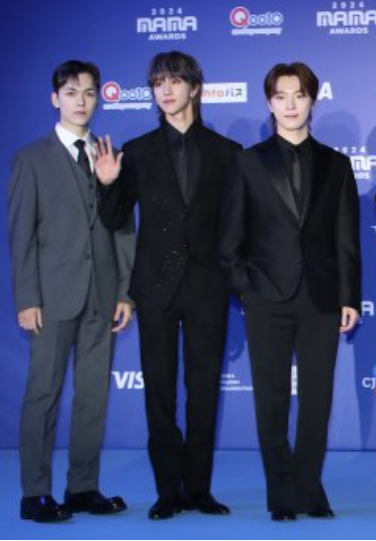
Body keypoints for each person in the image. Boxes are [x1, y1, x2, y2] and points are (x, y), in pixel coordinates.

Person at [96, 51, 240, 520]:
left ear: (194, 87)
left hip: (208, 287)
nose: (166, 90)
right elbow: (114, 218)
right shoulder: (136, 151)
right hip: (155, 288)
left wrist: (236, 283)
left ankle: (198, 489)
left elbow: (235, 226)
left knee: (203, 392)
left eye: (175, 81)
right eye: (159, 83)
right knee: (159, 392)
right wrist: (108, 184)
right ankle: (167, 491)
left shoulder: (227, 153)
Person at [217, 62, 361, 522]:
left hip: (321, 298)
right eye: (281, 96)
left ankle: (309, 486)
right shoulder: (248, 162)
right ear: (269, 103)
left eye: (299, 95)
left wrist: (349, 297)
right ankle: (281, 490)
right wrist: (247, 290)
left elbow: (346, 238)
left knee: (318, 399)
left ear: (312, 99)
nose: (291, 104)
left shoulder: (337, 164)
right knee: (272, 397)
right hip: (266, 297)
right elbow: (230, 240)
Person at [8, 59, 135, 524]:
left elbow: (123, 227)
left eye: (89, 93)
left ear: (98, 98)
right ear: (54, 98)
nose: (81, 101)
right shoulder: (31, 159)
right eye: (71, 92)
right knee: (43, 394)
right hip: (52, 297)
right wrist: (27, 298)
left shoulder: (109, 154)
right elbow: (20, 234)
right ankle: (35, 493)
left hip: (102, 295)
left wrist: (126, 291)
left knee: (93, 396)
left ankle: (82, 487)